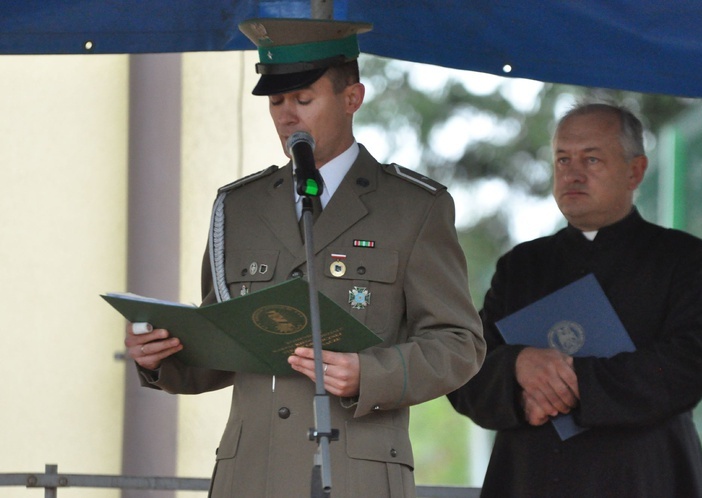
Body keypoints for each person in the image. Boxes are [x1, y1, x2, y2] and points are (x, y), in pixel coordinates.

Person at [124, 17, 485, 498]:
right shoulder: (238, 207)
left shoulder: (414, 207)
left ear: (352, 98)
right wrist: (160, 357)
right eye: (276, 102)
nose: (287, 116)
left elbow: (459, 344)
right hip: (252, 475)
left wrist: (369, 374)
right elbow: (220, 351)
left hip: (357, 475)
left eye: (304, 100)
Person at [449, 101, 702, 497]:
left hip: (646, 478)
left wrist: (572, 382)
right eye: (562, 160)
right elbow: (465, 371)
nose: (573, 173)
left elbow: (691, 365)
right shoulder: (522, 265)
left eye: (591, 159)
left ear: (636, 170)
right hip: (533, 479)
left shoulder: (682, 259)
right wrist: (518, 367)